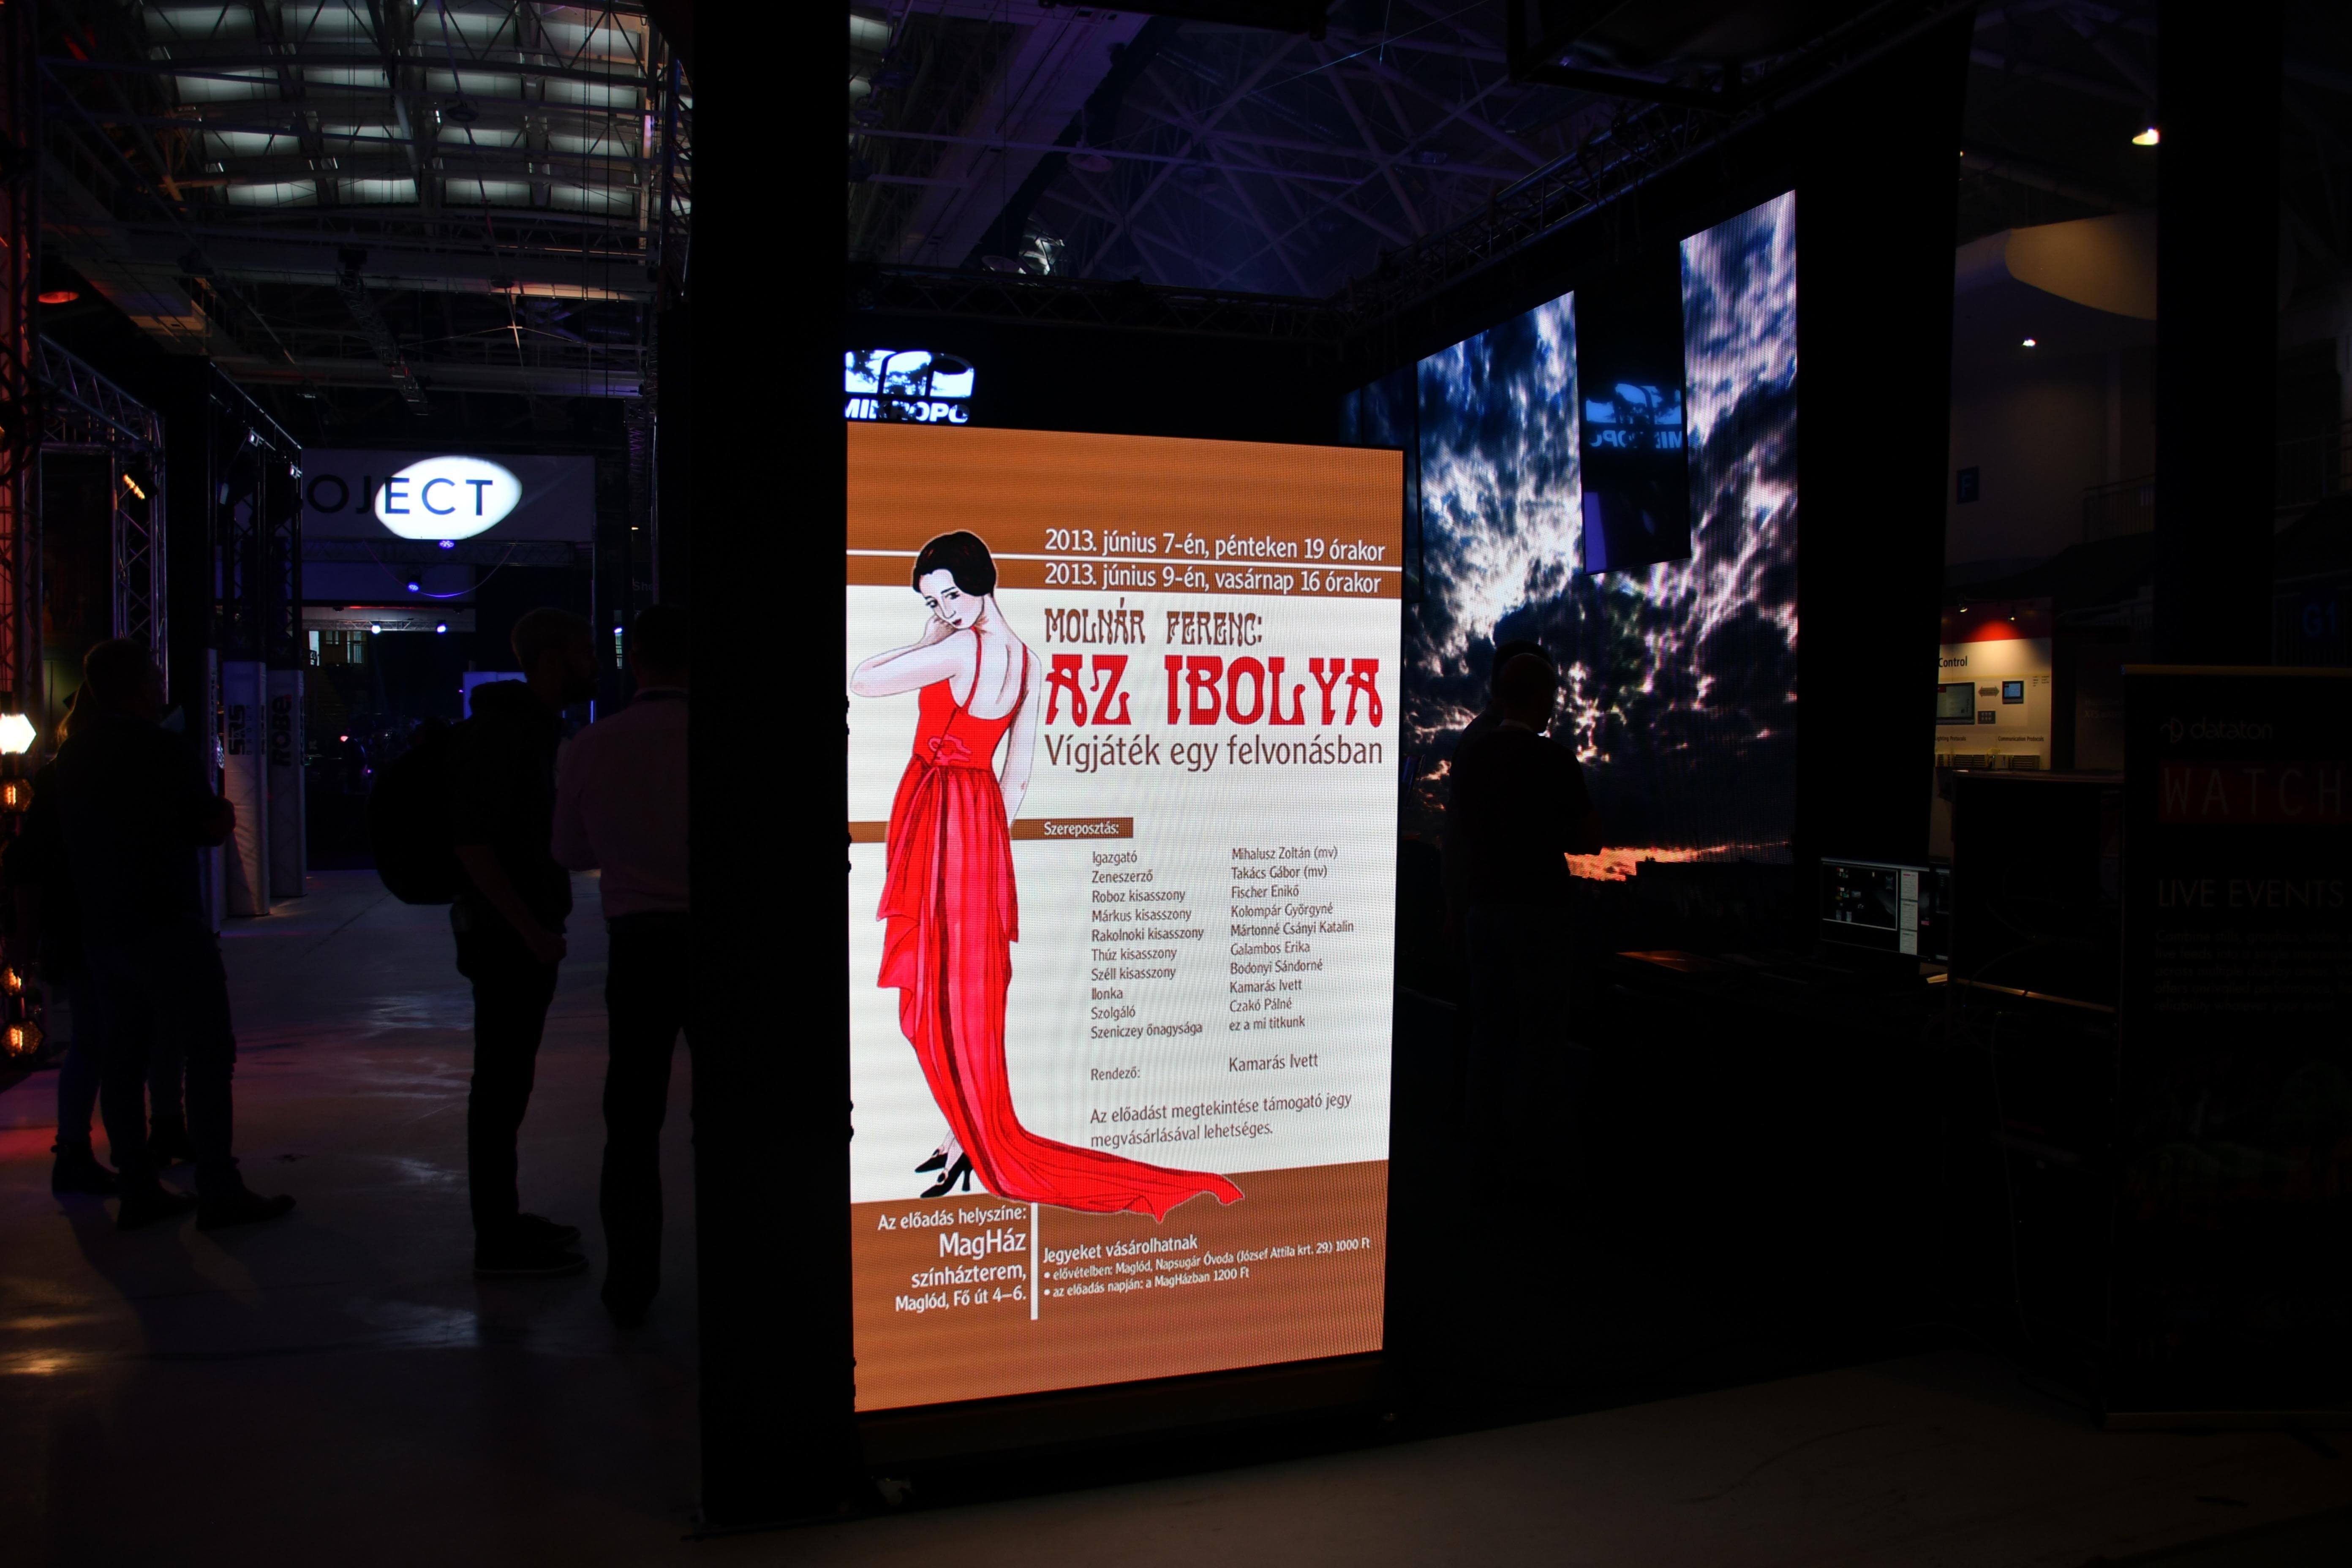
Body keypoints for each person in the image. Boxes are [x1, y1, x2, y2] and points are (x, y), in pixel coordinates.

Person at [851, 531, 1241, 1220]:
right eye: (934, 602)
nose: (946, 610)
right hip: (978, 825)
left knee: (937, 994)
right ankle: (962, 1135)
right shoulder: (1028, 661)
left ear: (981, 580)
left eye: (951, 595)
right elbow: (1019, 774)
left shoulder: (959, 649)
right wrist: (980, 844)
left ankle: (969, 1138)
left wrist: (925, 636)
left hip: (943, 816)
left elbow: (862, 680)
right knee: (964, 992)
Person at [55, 640, 294, 1231]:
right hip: (166, 919)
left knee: (123, 1056)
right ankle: (219, 1187)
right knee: (208, 1051)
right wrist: (222, 817)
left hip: (103, 925)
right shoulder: (161, 748)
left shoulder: (73, 753)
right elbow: (205, 823)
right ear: (143, 686)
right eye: (156, 677)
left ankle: (138, 1186)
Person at [552, 604, 689, 1328]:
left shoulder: (593, 745)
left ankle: (631, 1281)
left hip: (639, 942)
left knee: (632, 1119)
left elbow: (569, 851)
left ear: (634, 661)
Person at [449, 607, 597, 1278]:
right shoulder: (508, 734)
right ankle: (497, 1237)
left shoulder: (524, 730)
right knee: (501, 1087)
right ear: (554, 657)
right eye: (585, 650)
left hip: (514, 935)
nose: (595, 662)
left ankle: (502, 1224)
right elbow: (474, 844)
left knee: (507, 1085)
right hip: (508, 939)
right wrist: (530, 928)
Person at [1445, 652, 1604, 1176]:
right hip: (1540, 915)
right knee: (1540, 1040)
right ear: (1541, 698)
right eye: (1552, 696)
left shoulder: (1472, 758)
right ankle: (1533, 1160)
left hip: (1483, 910)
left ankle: (1481, 1155)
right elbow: (1591, 839)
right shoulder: (1555, 760)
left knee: (1487, 1035)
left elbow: (1463, 831)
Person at [7, 689, 114, 1195]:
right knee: (102, 1042)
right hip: (96, 925)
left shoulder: (56, 777)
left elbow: (26, 863)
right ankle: (89, 1149)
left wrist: (27, 937)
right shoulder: (82, 777)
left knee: (95, 1041)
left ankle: (76, 1148)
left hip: (77, 926)